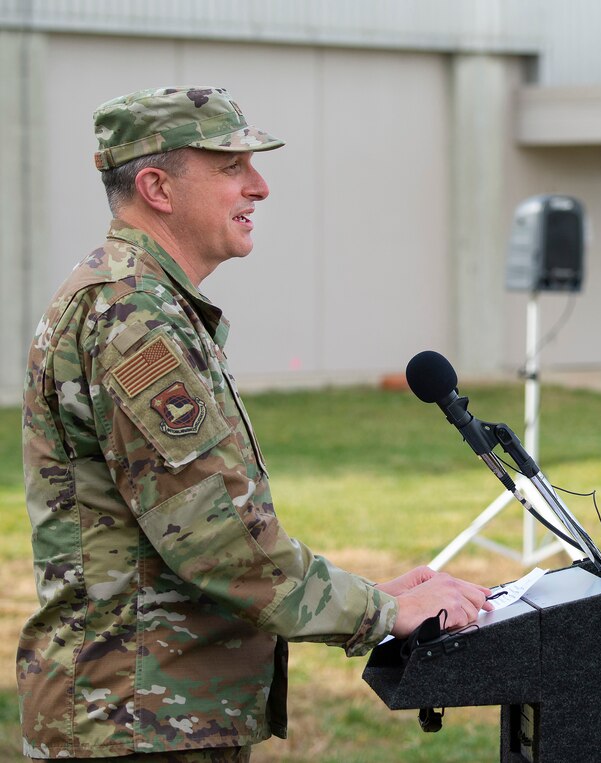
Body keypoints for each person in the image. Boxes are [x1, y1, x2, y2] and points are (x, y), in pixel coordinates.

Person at [17, 86, 492, 761]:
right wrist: (381, 613)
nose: (259, 186)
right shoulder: (131, 316)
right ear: (157, 186)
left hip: (151, 712)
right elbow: (215, 540)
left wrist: (368, 594)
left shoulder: (146, 302)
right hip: (134, 720)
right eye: (230, 167)